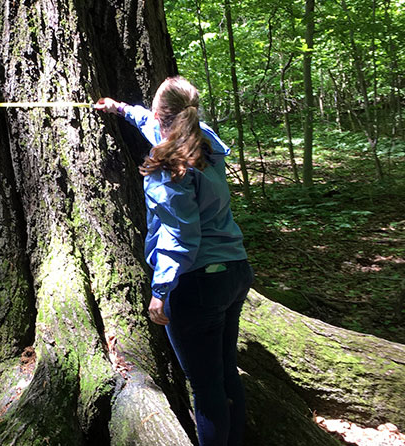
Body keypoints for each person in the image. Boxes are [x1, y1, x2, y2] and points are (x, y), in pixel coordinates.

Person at [95, 76, 253, 446]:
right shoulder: (207, 143)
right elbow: (157, 127)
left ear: (161, 114)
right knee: (226, 373)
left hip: (198, 283)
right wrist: (120, 109)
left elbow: (180, 236)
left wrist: (161, 290)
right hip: (235, 271)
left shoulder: (171, 170)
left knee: (205, 386)